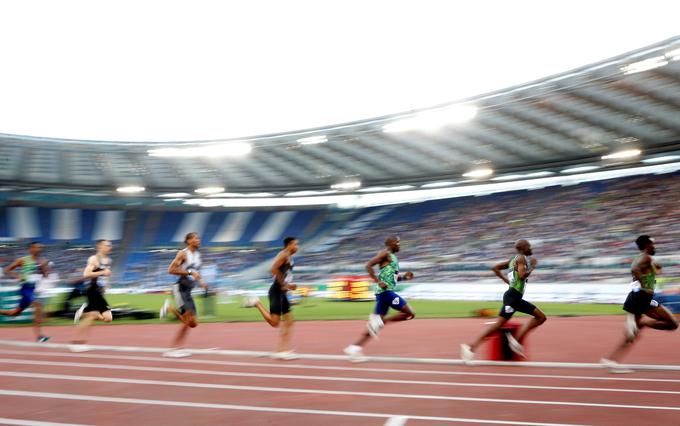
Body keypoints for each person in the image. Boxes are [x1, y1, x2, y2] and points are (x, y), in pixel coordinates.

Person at [601, 235, 678, 372]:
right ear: (647, 245)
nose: (655, 247)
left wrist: (654, 271)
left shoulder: (644, 258)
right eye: (653, 244)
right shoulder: (645, 257)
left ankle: (611, 360)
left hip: (643, 298)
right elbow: (635, 269)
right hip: (641, 297)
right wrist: (644, 285)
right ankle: (612, 361)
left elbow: (645, 270)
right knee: (669, 324)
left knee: (671, 323)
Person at [461, 239, 546, 362]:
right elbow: (522, 276)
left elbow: (495, 268)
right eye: (529, 246)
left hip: (515, 297)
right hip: (513, 297)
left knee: (541, 317)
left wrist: (506, 280)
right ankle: (471, 347)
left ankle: (516, 341)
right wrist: (532, 266)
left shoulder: (512, 260)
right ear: (523, 248)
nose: (531, 248)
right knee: (498, 326)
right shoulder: (521, 258)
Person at [343, 236, 415, 360]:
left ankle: (354, 348)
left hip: (384, 293)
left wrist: (404, 277)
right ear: (391, 244)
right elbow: (368, 265)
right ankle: (383, 321)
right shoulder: (385, 254)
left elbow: (392, 277)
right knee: (410, 313)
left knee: (375, 326)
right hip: (385, 292)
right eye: (398, 242)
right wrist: (378, 281)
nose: (399, 244)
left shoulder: (393, 258)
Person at [245, 237, 299, 360]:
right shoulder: (283, 254)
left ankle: (282, 350)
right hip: (276, 291)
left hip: (282, 292)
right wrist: (285, 285)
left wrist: (289, 286)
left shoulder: (289, 257)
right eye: (296, 244)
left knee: (289, 322)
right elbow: (273, 270)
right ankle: (256, 302)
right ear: (289, 245)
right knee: (275, 323)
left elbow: (284, 275)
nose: (297, 247)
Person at [160, 232, 208, 358]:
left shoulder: (198, 255)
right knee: (187, 320)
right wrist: (189, 273)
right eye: (195, 238)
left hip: (188, 291)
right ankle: (173, 349)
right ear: (188, 241)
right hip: (180, 288)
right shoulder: (183, 253)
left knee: (193, 323)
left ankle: (170, 308)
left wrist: (201, 281)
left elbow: (196, 272)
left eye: (199, 238)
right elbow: (170, 270)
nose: (198, 240)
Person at [0, 242, 51, 342]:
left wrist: (44, 268)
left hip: (32, 290)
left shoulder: (42, 261)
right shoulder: (23, 260)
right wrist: (17, 276)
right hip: (25, 289)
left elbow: (45, 276)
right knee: (38, 305)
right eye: (37, 247)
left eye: (41, 247)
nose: (39, 249)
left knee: (14, 313)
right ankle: (39, 336)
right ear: (30, 249)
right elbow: (7, 270)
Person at [70, 239, 114, 352]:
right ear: (99, 246)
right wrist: (103, 272)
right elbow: (86, 274)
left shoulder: (108, 260)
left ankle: (84, 314)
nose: (110, 247)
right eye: (107, 245)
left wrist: (106, 286)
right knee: (105, 317)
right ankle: (77, 343)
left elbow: (105, 277)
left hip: (99, 291)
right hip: (92, 290)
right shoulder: (94, 259)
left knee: (102, 318)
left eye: (110, 245)